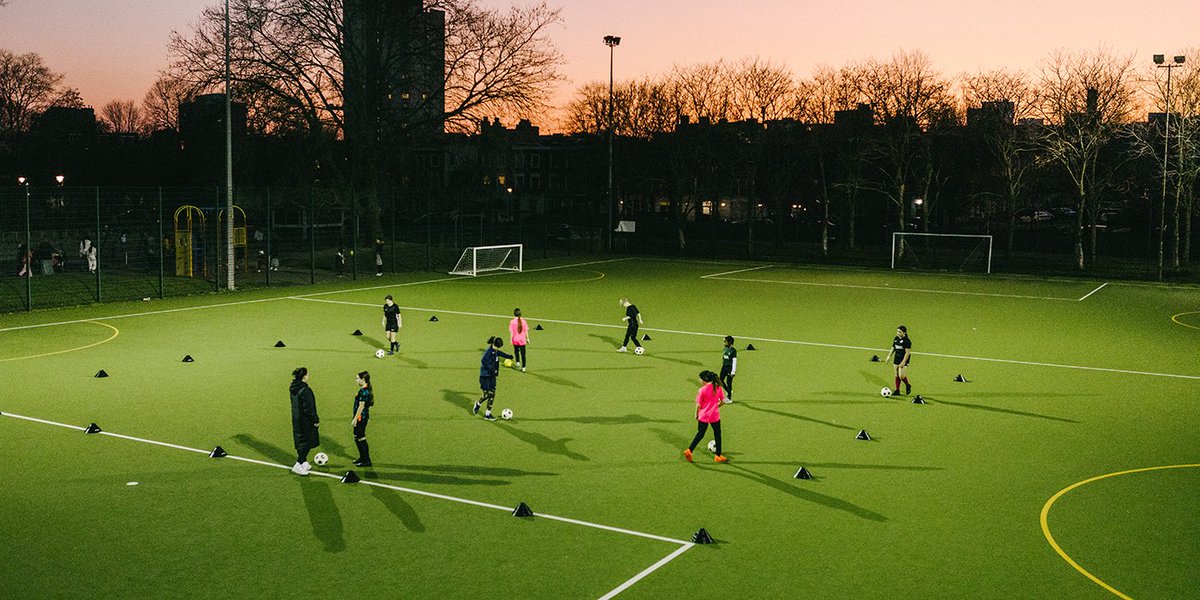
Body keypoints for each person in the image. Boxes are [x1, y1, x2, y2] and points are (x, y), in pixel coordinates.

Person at [684, 370, 728, 463]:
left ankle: (689, 450)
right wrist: (716, 406)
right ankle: (718, 456)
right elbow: (723, 401)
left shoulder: (702, 390)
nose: (699, 380)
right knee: (717, 434)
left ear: (704, 380)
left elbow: (698, 405)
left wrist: (696, 414)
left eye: (700, 379)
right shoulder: (718, 388)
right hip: (714, 416)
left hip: (703, 415)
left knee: (700, 434)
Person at [473, 336, 514, 421]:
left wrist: (508, 356)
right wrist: (491, 369)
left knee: (492, 394)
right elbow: (483, 361)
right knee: (487, 394)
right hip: (485, 376)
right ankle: (478, 404)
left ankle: (487, 414)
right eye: (498, 347)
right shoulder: (488, 352)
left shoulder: (495, 350)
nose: (498, 348)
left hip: (492, 376)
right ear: (494, 345)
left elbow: (499, 353)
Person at [289, 367, 321, 475]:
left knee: (300, 440)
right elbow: (309, 408)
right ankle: (298, 464)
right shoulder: (305, 390)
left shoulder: (294, 388)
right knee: (307, 441)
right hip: (305, 420)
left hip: (296, 417)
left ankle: (303, 462)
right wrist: (315, 420)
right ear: (304, 376)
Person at [351, 371, 373, 467]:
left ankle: (366, 460)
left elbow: (361, 406)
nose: (356, 380)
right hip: (363, 417)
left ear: (362, 379)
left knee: (361, 437)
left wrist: (355, 419)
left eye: (357, 378)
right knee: (357, 436)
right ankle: (362, 457)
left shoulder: (363, 391)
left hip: (360, 418)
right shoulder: (365, 389)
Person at [884, 325, 913, 395]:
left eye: (900, 332)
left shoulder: (907, 341)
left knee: (901, 376)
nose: (898, 333)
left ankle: (908, 385)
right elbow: (893, 348)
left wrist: (903, 362)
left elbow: (907, 353)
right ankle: (897, 390)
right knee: (896, 374)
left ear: (904, 333)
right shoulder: (896, 338)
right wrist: (888, 356)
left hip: (904, 359)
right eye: (897, 331)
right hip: (897, 358)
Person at [719, 335, 737, 403]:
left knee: (729, 382)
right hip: (724, 367)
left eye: (725, 342)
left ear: (729, 342)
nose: (723, 343)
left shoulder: (733, 351)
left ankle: (729, 398)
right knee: (720, 380)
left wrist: (733, 371)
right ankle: (728, 390)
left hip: (730, 368)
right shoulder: (725, 349)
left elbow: (734, 361)